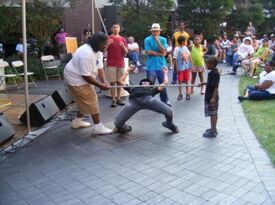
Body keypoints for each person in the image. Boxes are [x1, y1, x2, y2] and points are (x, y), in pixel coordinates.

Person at [63, 32, 112, 135]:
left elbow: (99, 68)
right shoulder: (85, 53)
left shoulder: (98, 51)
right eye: (105, 44)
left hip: (82, 77)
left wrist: (104, 81)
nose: (106, 46)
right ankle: (98, 127)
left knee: (85, 101)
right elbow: (85, 76)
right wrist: (100, 85)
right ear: (97, 43)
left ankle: (76, 122)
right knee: (91, 100)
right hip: (75, 79)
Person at [114, 67, 179, 134]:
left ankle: (169, 124)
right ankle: (124, 128)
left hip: (149, 100)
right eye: (143, 82)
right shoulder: (133, 88)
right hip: (134, 102)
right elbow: (120, 81)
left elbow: (165, 83)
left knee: (170, 111)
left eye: (148, 82)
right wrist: (127, 71)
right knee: (117, 122)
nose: (145, 82)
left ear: (150, 86)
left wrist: (165, 73)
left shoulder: (152, 90)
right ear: (140, 84)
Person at [144, 23, 171, 106]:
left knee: (162, 83)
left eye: (157, 31)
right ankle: (148, 100)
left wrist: (157, 41)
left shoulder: (163, 39)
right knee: (150, 84)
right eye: (154, 31)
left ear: (159, 32)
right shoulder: (147, 39)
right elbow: (149, 52)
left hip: (161, 65)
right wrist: (159, 54)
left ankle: (165, 100)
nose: (155, 33)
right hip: (151, 65)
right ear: (151, 32)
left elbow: (164, 51)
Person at [106, 23, 128, 108]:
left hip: (120, 62)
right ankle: (113, 99)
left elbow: (126, 53)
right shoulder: (108, 38)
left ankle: (119, 98)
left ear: (119, 29)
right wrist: (108, 44)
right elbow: (103, 50)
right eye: (114, 27)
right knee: (112, 82)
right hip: (111, 62)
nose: (116, 28)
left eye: (117, 27)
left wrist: (122, 47)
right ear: (111, 29)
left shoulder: (122, 39)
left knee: (120, 81)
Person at [200, 56, 220, 138]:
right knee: (212, 113)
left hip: (212, 97)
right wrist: (203, 83)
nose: (206, 65)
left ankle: (213, 131)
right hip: (209, 96)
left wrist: (213, 98)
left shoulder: (214, 74)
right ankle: (213, 128)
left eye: (207, 64)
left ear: (211, 65)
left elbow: (216, 86)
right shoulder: (212, 73)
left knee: (213, 114)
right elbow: (210, 83)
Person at [173, 36, 192, 100]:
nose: (185, 42)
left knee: (187, 80)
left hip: (186, 67)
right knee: (180, 81)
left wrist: (191, 64)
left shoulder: (185, 48)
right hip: (180, 68)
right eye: (185, 41)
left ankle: (188, 93)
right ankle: (180, 94)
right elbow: (175, 59)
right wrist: (177, 67)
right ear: (183, 41)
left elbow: (189, 56)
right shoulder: (176, 49)